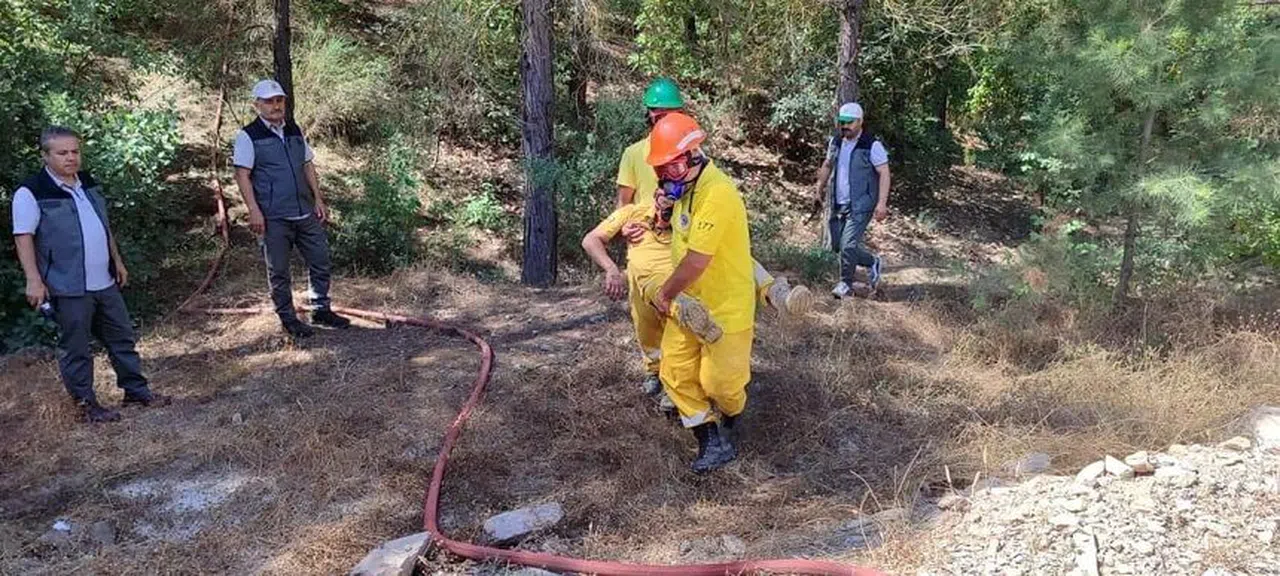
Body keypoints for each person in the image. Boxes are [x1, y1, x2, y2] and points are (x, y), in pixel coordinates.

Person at [608, 78, 807, 400]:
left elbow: (707, 198)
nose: (665, 120)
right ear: (649, 115)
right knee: (648, 315)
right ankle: (657, 372)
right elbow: (623, 201)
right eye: (659, 115)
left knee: (725, 256)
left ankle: (774, 292)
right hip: (651, 237)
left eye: (671, 113)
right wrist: (623, 227)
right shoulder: (634, 154)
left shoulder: (689, 151)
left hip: (685, 231)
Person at [11, 126, 170, 422]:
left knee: (122, 337)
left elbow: (102, 225)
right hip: (67, 285)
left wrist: (117, 261)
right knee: (77, 348)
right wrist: (34, 280)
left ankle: (136, 391)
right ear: (45, 156)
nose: (71, 158)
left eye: (75, 151)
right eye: (62, 153)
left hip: (104, 280)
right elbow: (23, 237)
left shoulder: (87, 183)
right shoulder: (31, 192)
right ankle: (87, 406)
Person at [582, 191, 812, 385]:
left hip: (684, 274)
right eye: (661, 194)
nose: (665, 201)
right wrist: (612, 269)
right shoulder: (633, 213)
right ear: (653, 194)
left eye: (672, 199)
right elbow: (591, 239)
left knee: (734, 258)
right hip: (650, 279)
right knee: (654, 298)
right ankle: (660, 369)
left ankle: (776, 293)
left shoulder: (686, 216)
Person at [647, 113, 756, 474]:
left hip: (725, 306)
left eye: (673, 169)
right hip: (689, 303)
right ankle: (711, 439)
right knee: (674, 373)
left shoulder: (718, 192)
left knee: (720, 383)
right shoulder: (685, 190)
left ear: (695, 155)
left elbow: (696, 261)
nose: (667, 178)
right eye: (661, 171)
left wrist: (664, 295)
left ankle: (733, 414)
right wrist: (662, 212)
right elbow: (674, 232)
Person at [232, 79, 350, 338]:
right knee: (279, 271)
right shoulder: (249, 136)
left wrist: (318, 199)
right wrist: (253, 210)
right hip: (273, 217)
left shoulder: (294, 130)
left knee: (320, 259)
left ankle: (321, 309)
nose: (275, 106)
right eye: (269, 101)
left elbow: (308, 165)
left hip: (304, 211)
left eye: (279, 100)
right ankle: (288, 318)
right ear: (257, 105)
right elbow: (242, 175)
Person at [813, 102, 891, 298]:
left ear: (860, 122)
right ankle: (872, 261)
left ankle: (845, 284)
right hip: (839, 202)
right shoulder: (836, 142)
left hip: (862, 203)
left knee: (848, 245)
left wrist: (882, 203)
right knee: (839, 245)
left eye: (849, 122)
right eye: (842, 122)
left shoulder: (871, 145)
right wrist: (818, 188)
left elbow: (884, 173)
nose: (845, 126)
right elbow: (827, 164)